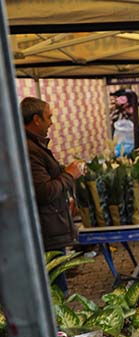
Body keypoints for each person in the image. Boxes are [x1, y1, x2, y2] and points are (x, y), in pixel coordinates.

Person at [21, 97, 85, 295]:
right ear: (36, 119)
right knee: (56, 290)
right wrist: (70, 175)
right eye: (48, 117)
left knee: (57, 285)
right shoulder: (30, 150)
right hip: (46, 231)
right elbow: (44, 192)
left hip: (49, 227)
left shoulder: (33, 146)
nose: (51, 123)